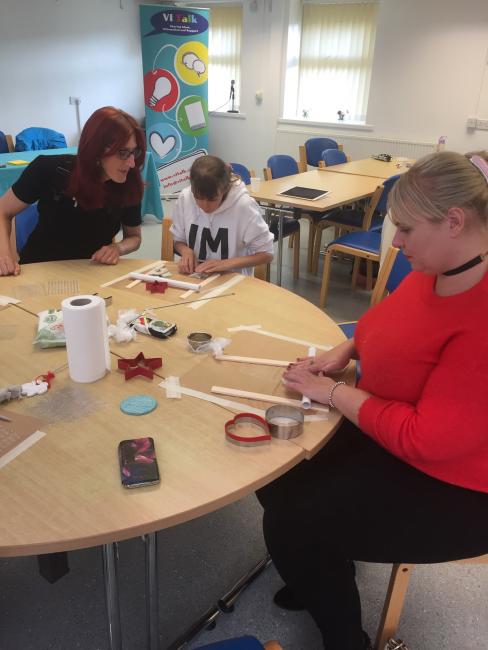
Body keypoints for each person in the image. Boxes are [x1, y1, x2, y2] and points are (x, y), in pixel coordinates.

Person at [256, 151, 488, 650]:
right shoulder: (443, 265)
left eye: (405, 229)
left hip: (460, 487)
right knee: (273, 470)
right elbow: (382, 324)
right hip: (394, 430)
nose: (396, 242)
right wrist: (347, 349)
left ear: (453, 221)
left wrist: (335, 392)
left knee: (290, 522)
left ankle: (345, 639)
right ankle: (324, 566)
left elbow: (426, 440)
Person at [0, 106, 146, 276]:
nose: (131, 163)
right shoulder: (50, 169)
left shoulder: (129, 183)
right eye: (123, 153)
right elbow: (3, 211)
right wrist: (4, 255)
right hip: (40, 269)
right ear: (96, 150)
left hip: (92, 272)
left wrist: (117, 248)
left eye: (134, 152)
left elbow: (134, 237)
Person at [170, 155, 274, 275]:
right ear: (192, 189)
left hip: (232, 282)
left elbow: (267, 254)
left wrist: (226, 263)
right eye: (198, 198)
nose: (205, 206)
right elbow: (178, 240)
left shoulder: (244, 206)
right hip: (194, 278)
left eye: (212, 199)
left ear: (224, 189)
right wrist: (185, 251)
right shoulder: (185, 197)